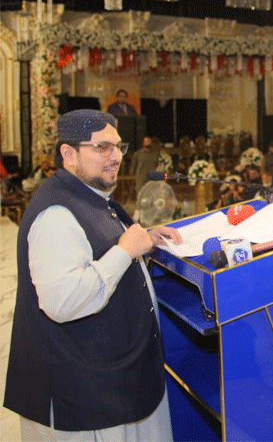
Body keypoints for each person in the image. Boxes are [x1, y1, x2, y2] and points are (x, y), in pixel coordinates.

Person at [4, 109, 182, 440]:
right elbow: (63, 301)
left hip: (111, 383)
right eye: (102, 148)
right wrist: (125, 251)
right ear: (68, 154)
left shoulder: (86, 195)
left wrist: (144, 240)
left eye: (118, 146)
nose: (116, 157)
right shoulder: (55, 214)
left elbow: (95, 244)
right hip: (83, 400)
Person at [130, 136, 160, 200]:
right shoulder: (138, 154)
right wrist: (132, 175)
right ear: (143, 143)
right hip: (141, 179)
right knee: (141, 197)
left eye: (149, 141)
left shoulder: (155, 154)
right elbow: (133, 166)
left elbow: (158, 165)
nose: (148, 143)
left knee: (152, 196)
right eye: (146, 141)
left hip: (152, 179)